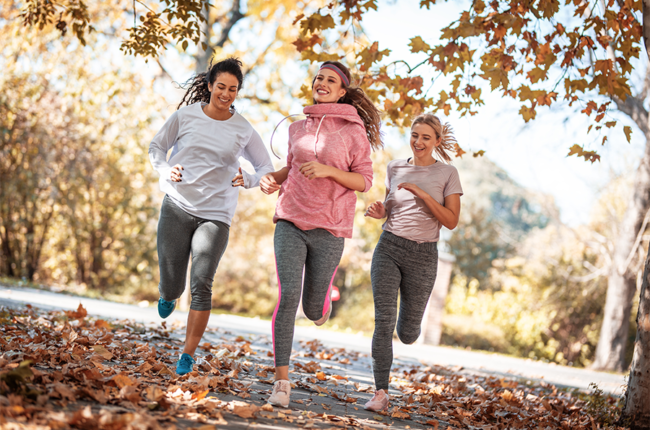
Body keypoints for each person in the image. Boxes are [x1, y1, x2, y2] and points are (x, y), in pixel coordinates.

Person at [259, 61, 383, 408]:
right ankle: (281, 383)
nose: (322, 83)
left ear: (343, 91)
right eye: (319, 78)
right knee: (287, 297)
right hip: (290, 218)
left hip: (329, 227)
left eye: (331, 80)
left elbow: (364, 181)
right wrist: (275, 178)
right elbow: (291, 167)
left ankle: (322, 303)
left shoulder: (353, 131)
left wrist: (329, 169)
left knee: (312, 308)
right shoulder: (297, 127)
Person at [148, 57, 274, 376]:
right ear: (209, 86)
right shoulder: (185, 116)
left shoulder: (243, 129)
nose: (226, 94)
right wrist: (166, 168)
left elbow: (265, 168)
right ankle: (168, 294)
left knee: (202, 283)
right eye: (221, 87)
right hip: (177, 204)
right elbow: (157, 148)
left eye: (233, 89)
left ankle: (187, 354)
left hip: (216, 214)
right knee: (172, 281)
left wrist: (248, 178)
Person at [363, 113, 463, 411]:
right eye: (414, 135)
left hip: (423, 255)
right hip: (389, 247)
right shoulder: (394, 167)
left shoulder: (448, 173)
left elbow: (451, 221)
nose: (418, 142)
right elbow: (390, 208)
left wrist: (422, 194)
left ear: (437, 141)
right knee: (383, 321)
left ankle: (410, 329)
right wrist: (379, 210)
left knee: (407, 333)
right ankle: (380, 392)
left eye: (426, 137)